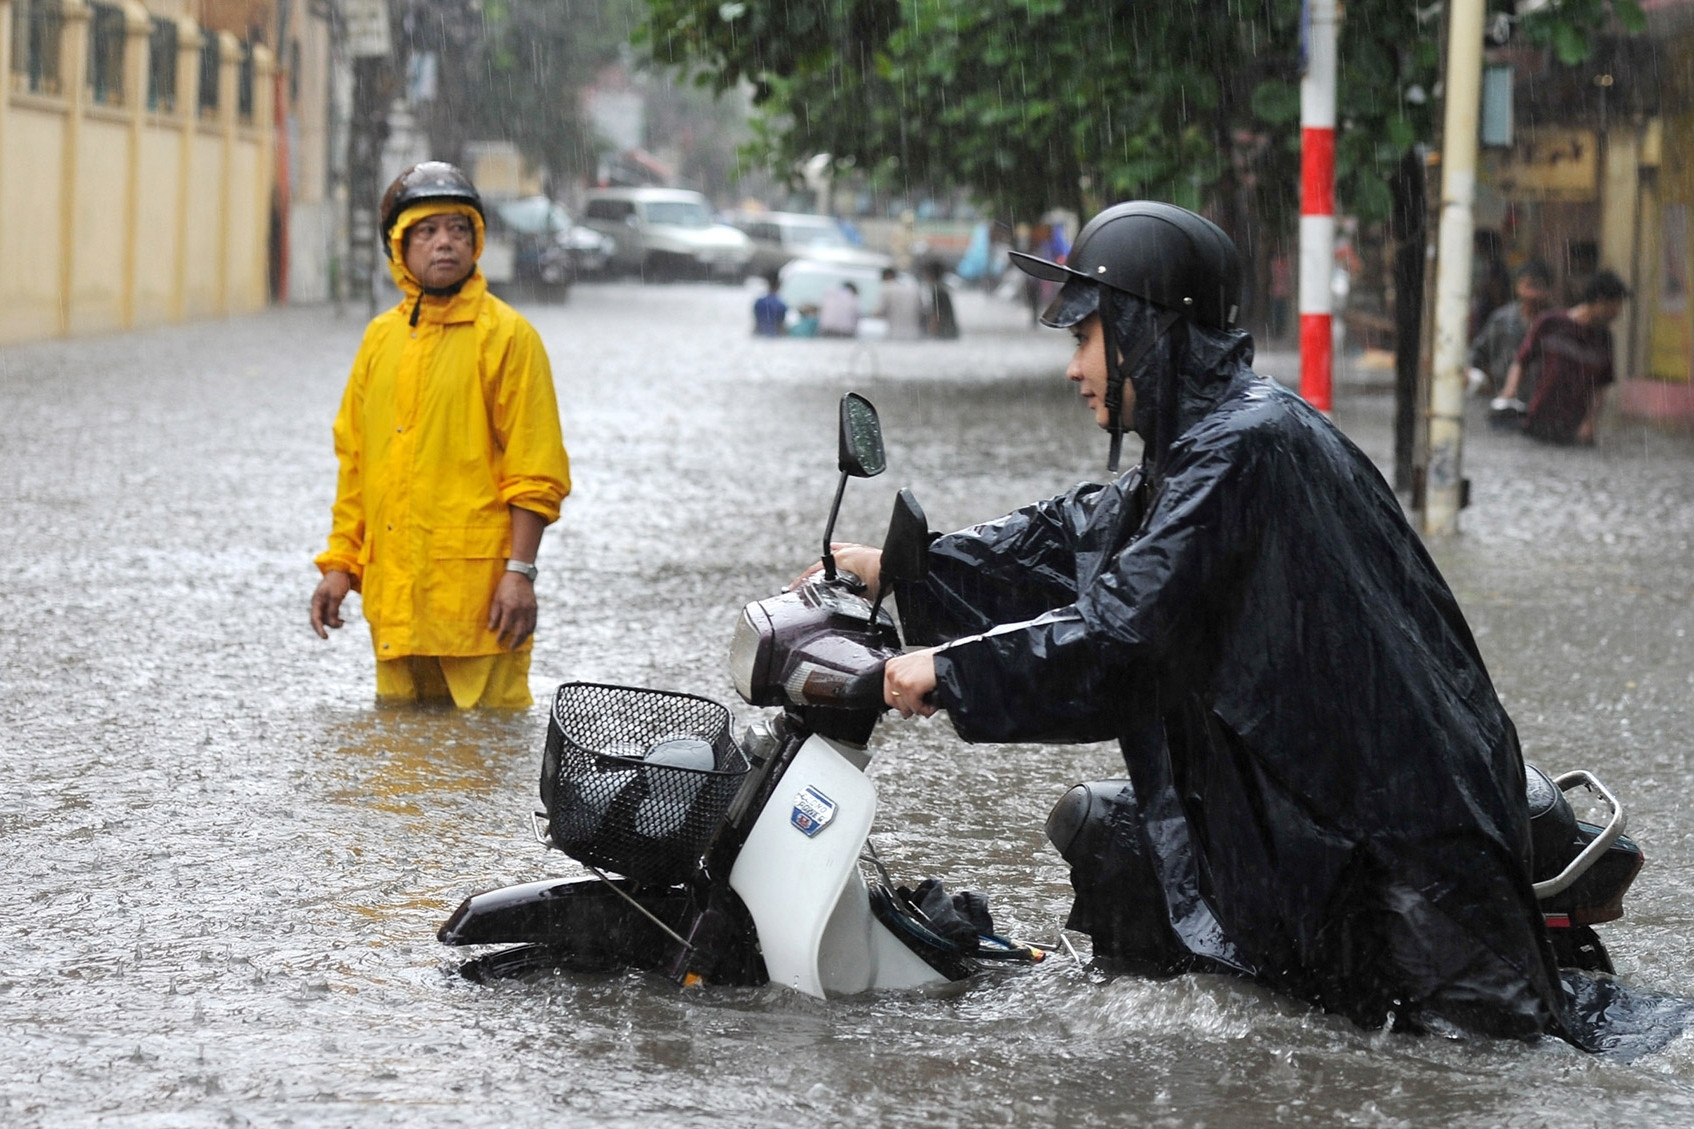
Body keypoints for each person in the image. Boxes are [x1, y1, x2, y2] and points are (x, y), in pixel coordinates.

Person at [822, 201, 1568, 1040]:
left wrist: (948, 671)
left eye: (1083, 338)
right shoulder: (1205, 443)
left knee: (1460, 1074)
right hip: (1320, 811)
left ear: (1145, 330)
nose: (1073, 369)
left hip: (1406, 843)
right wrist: (909, 569)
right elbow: (1073, 534)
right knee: (1115, 848)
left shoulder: (1241, 448)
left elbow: (1122, 638)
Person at [309, 162, 571, 708]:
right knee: (402, 770)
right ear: (399, 249)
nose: (444, 243)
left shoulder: (508, 338)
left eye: (458, 229)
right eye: (426, 232)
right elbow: (356, 465)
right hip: (394, 603)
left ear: (476, 241)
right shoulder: (380, 340)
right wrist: (340, 566)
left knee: (483, 761)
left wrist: (519, 574)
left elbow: (536, 470)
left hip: (480, 605)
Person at [1497, 271, 1629, 446]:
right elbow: (1522, 360)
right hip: (1537, 418)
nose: (1618, 313)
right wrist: (1509, 391)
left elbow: (1600, 387)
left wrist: (1590, 422)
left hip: (1572, 429)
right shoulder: (1551, 323)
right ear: (1600, 300)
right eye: (1615, 305)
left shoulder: (1604, 339)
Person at [1470, 261, 1553, 399]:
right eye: (1527, 285)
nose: (1531, 293)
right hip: (1503, 400)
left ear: (1549, 290)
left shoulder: (1556, 323)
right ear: (1517, 286)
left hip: (1542, 402)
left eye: (1537, 287)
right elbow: (1478, 352)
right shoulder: (1502, 319)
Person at [875, 267, 925, 340]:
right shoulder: (913, 289)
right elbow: (922, 311)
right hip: (914, 334)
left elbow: (878, 312)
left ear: (887, 276)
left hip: (894, 334)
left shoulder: (886, 288)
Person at [922, 261, 958, 339]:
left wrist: (933, 331)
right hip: (950, 330)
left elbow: (936, 314)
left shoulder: (936, 290)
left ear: (930, 275)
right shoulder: (942, 287)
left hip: (944, 331)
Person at [753, 272, 788, 337]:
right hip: (774, 337)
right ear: (779, 285)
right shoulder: (781, 305)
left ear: (767, 284)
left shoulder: (758, 302)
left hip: (759, 336)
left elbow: (756, 324)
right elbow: (780, 326)